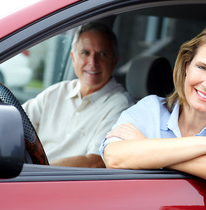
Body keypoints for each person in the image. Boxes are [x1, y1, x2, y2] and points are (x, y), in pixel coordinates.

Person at [100, 20, 206, 188]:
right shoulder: (149, 109)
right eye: (202, 67)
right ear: (187, 66)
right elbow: (114, 157)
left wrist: (148, 149)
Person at [23, 22, 133, 167]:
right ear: (73, 57)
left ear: (115, 61)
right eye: (85, 53)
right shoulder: (56, 92)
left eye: (102, 54)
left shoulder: (121, 106)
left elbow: (96, 161)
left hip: (61, 183)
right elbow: (15, 123)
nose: (93, 62)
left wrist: (38, 172)